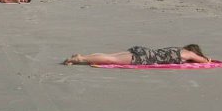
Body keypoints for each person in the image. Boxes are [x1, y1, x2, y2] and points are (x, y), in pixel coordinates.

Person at [64, 44, 211, 66]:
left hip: (145, 50)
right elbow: (205, 62)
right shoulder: (190, 54)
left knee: (111, 55)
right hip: (145, 58)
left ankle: (83, 56)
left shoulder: (179, 49)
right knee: (111, 59)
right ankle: (80, 59)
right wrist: (207, 59)